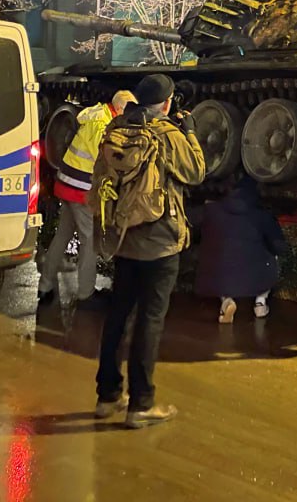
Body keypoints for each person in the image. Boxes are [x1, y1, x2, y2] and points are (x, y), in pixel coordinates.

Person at [94, 74, 205, 428]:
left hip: (125, 235)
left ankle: (107, 396)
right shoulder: (167, 133)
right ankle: (141, 404)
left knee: (118, 315)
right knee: (149, 320)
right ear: (167, 104)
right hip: (159, 239)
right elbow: (196, 171)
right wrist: (189, 132)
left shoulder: (117, 127)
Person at [38, 90, 136, 310]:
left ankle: (44, 286)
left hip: (66, 184)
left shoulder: (96, 114)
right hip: (80, 191)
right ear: (120, 108)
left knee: (62, 236)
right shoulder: (103, 126)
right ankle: (86, 293)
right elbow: (105, 161)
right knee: (90, 242)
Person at [195, 176, 289, 323]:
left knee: (221, 256)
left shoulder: (211, 210)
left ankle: (226, 300)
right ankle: (260, 303)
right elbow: (279, 247)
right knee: (271, 255)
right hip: (254, 275)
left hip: (217, 274)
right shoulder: (262, 215)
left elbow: (191, 223)